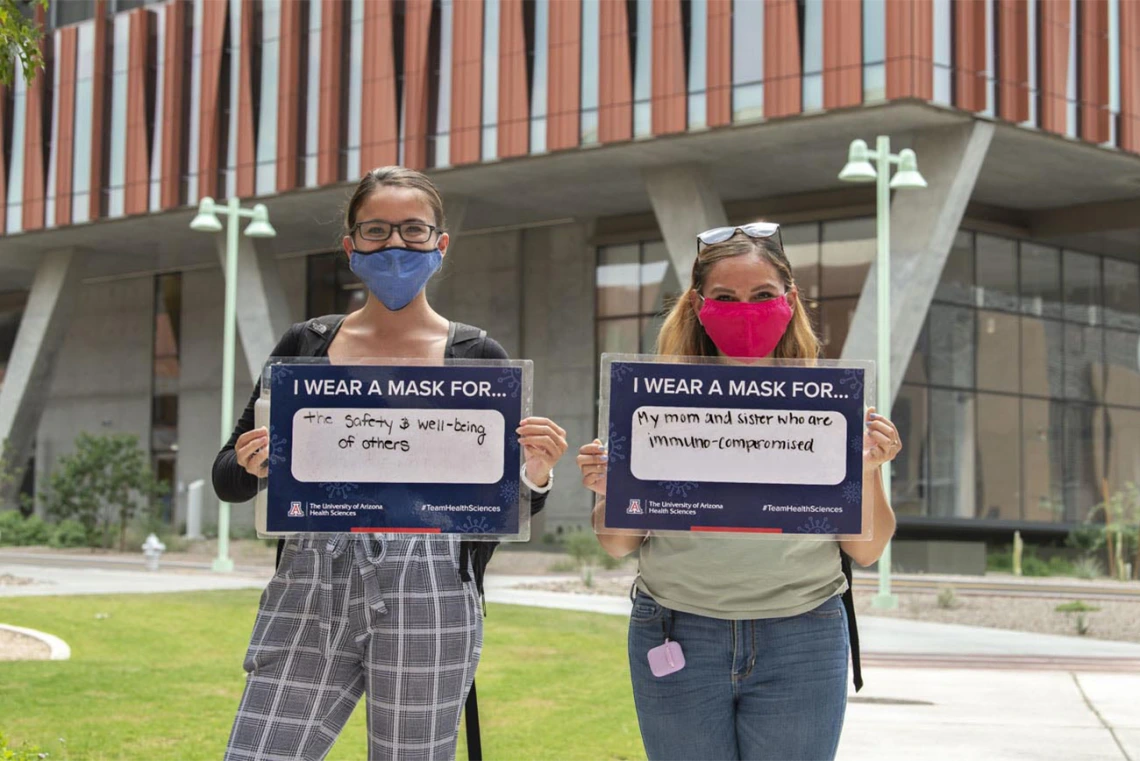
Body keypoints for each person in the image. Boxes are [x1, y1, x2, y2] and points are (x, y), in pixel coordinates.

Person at [213, 166, 569, 761]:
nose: (396, 245)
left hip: (432, 591)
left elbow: (506, 509)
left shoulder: (476, 355)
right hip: (310, 584)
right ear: (351, 247)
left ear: (440, 244)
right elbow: (228, 478)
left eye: (412, 229)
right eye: (376, 231)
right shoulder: (305, 346)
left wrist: (536, 472)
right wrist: (252, 463)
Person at [576, 222, 901, 761]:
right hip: (676, 628)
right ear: (699, 305)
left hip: (804, 634)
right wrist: (610, 489)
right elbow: (618, 543)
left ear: (790, 300)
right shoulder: (652, 404)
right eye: (725, 297)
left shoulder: (832, 408)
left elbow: (865, 550)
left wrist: (869, 469)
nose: (744, 309)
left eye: (762, 296)